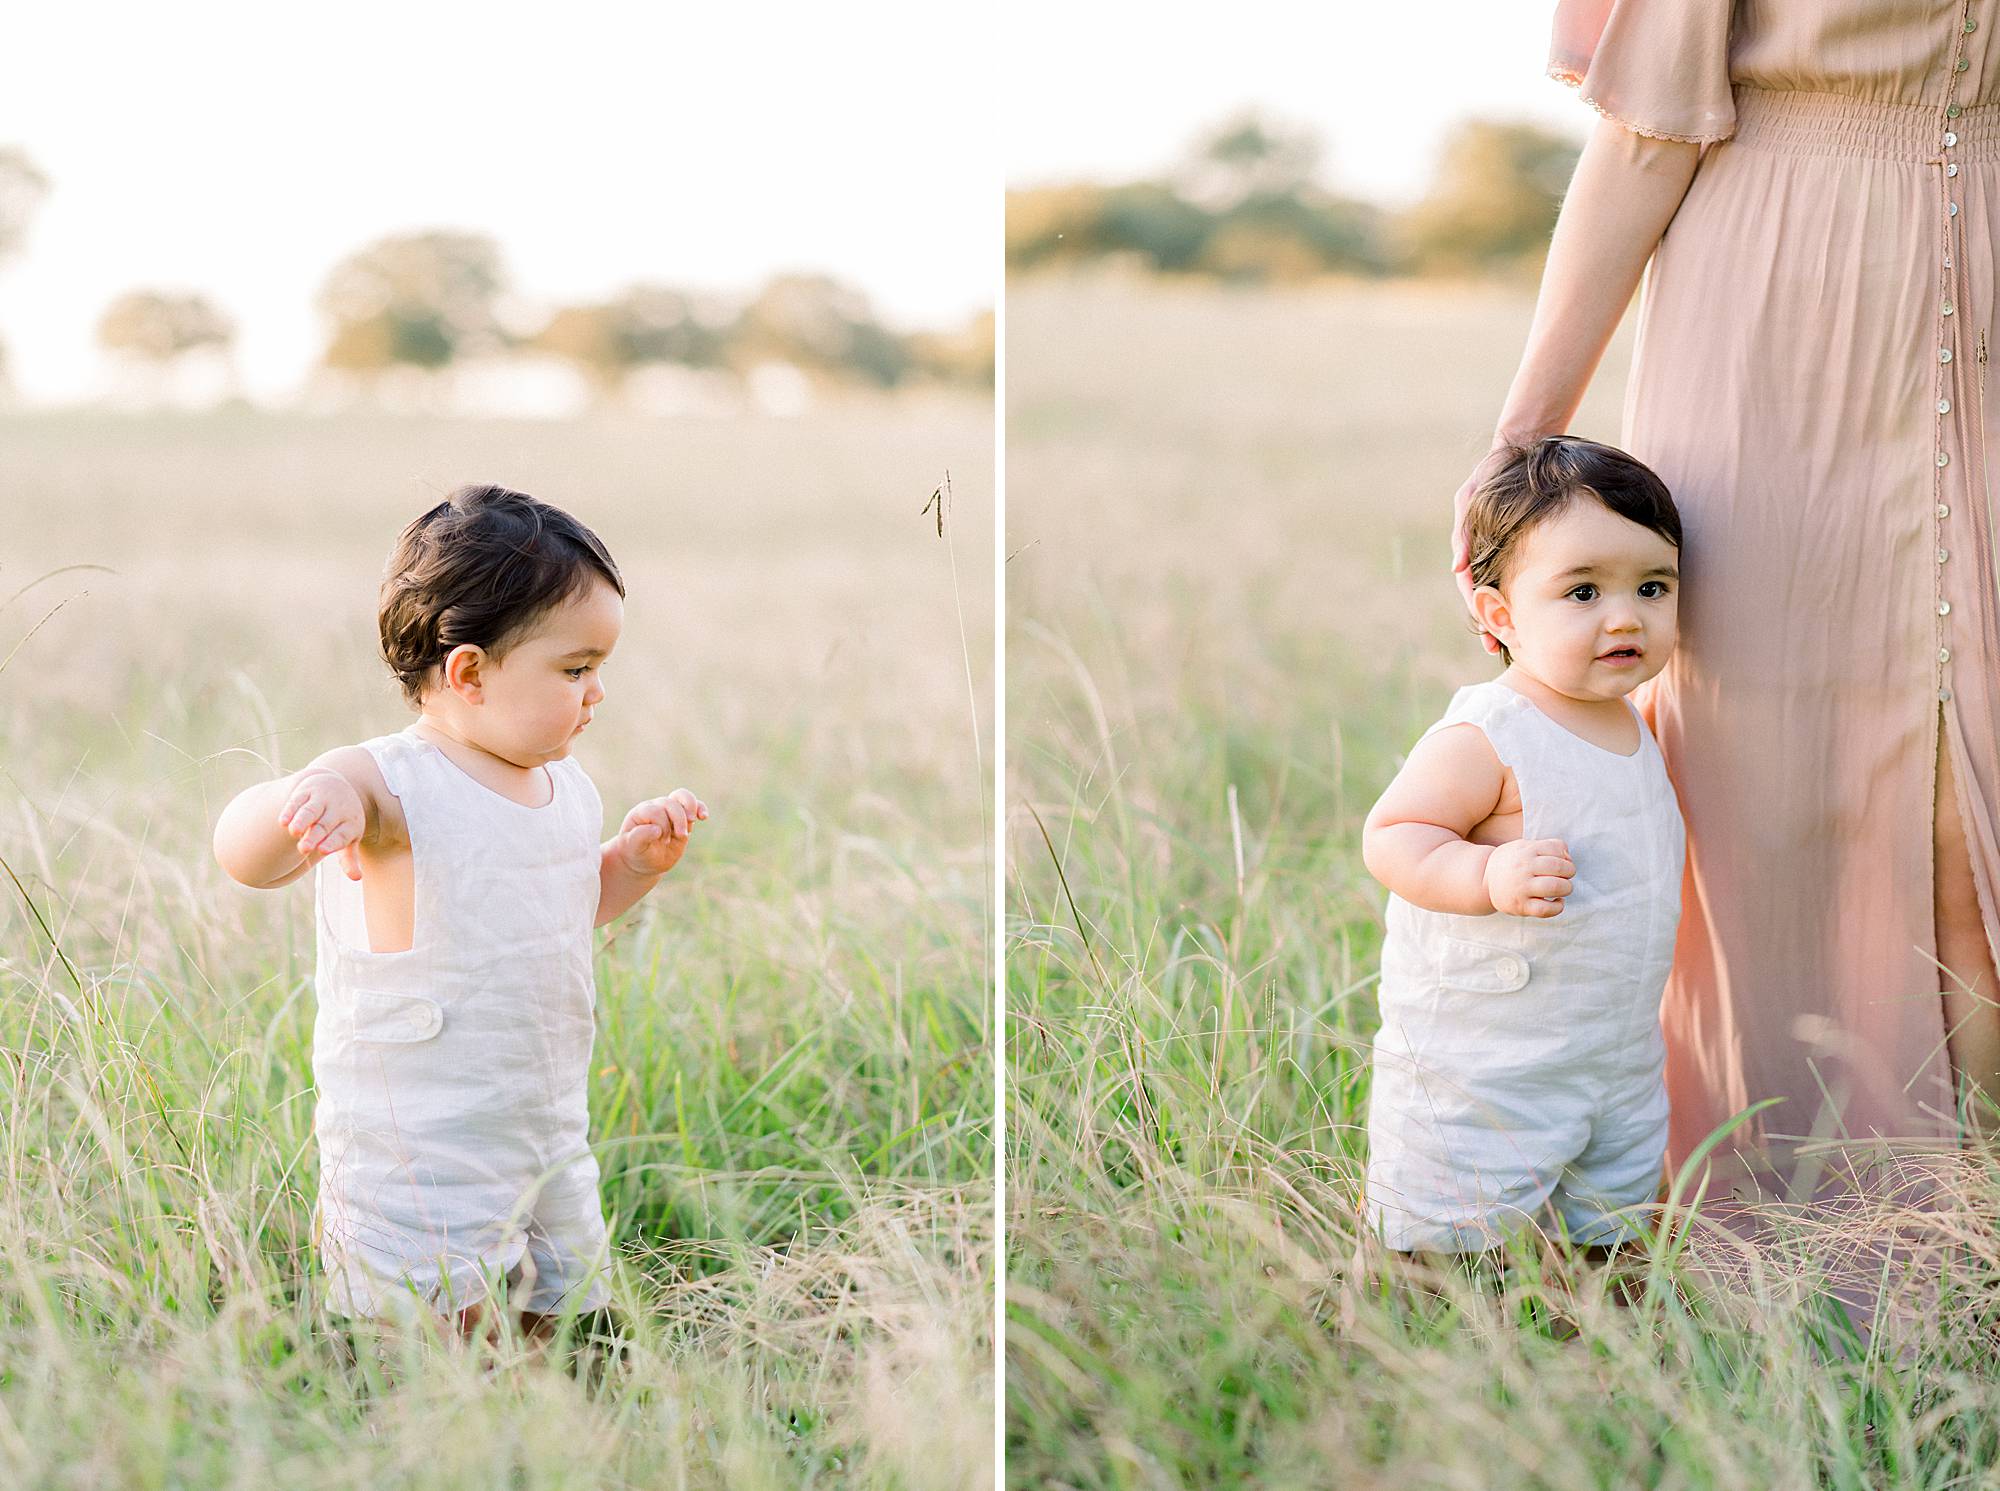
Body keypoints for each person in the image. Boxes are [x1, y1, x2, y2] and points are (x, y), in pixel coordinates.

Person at [1450, 2, 2000, 1207]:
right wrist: (1522, 437)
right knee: (1769, 776)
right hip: (1777, 313)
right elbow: (1644, 137)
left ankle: (1970, 1239)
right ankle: (1798, 1214)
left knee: (1971, 814)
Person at [211, 484, 708, 1344]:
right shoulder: (388, 780)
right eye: (576, 668)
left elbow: (561, 906)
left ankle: (555, 1411)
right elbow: (241, 854)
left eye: (601, 669)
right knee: (441, 1321)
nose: (596, 694)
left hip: (544, 1115)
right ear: (470, 671)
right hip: (421, 1140)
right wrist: (306, 796)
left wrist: (630, 865)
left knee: (564, 1299)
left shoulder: (564, 784)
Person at [1364, 437, 1685, 1256]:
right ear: (1500, 614)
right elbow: (1393, 834)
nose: (1626, 615)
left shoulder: (1634, 722)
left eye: (1653, 586)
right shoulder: (1491, 730)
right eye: (1582, 591)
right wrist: (1485, 870)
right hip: (1488, 1066)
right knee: (1448, 1237)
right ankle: (1422, 1349)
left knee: (1613, 1229)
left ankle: (1600, 1351)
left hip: (1612, 1054)